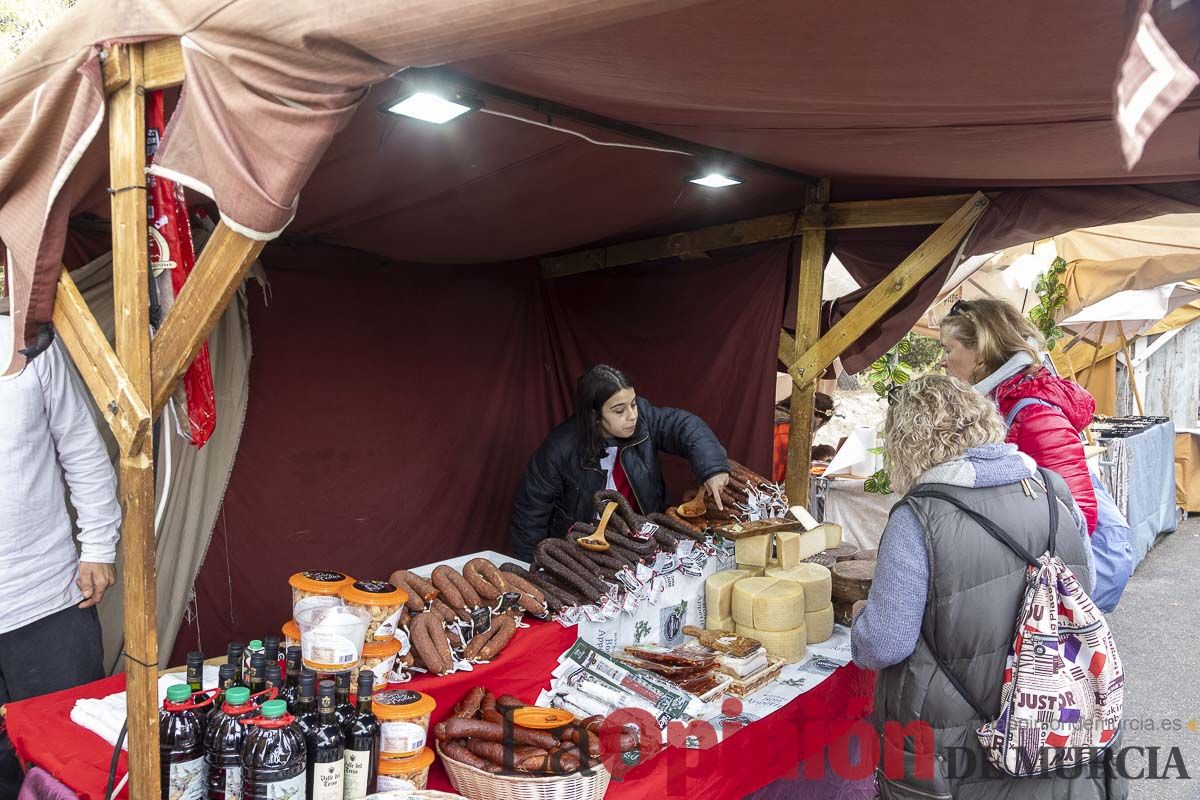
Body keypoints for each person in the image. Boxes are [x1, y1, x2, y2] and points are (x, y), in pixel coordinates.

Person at [851, 375, 1112, 798]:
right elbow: (1086, 588)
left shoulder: (918, 516)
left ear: (906, 443)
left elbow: (885, 643)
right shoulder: (1052, 491)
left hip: (949, 749)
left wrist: (861, 617)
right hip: (1048, 723)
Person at [0, 323, 121, 799]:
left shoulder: (26, 340)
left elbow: (81, 446)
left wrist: (97, 546)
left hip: (46, 596)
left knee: (70, 761)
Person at [509, 364, 729, 562]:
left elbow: (684, 426)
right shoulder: (559, 448)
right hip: (584, 553)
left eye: (633, 404)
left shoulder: (645, 419)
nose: (632, 416)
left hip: (644, 541)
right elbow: (530, 514)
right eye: (619, 410)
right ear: (595, 415)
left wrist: (712, 467)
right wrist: (531, 570)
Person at [939, 298, 1098, 533]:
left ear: (981, 352)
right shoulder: (998, 404)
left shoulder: (1036, 417)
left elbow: (1079, 517)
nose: (943, 362)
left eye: (948, 350)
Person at [771, 392, 834, 483]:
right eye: (821, 423)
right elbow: (775, 474)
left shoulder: (778, 415)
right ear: (817, 418)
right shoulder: (786, 433)